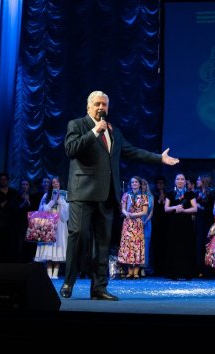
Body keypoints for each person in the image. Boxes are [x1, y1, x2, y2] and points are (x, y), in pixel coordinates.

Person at [61, 90, 179, 301]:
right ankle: (69, 281)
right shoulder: (77, 125)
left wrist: (158, 158)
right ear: (88, 107)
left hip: (107, 194)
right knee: (78, 235)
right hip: (83, 193)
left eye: (104, 104)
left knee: (103, 243)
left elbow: (132, 151)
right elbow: (71, 149)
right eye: (97, 104)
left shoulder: (114, 131)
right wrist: (94, 131)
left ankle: (99, 288)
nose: (101, 108)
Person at [34, 177, 69, 279]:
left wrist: (60, 201)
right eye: (53, 182)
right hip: (49, 224)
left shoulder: (65, 196)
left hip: (60, 225)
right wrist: (52, 201)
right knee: (48, 248)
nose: (55, 184)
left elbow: (66, 214)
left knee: (58, 248)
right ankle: (49, 273)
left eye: (57, 182)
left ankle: (55, 273)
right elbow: (41, 211)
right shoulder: (46, 195)